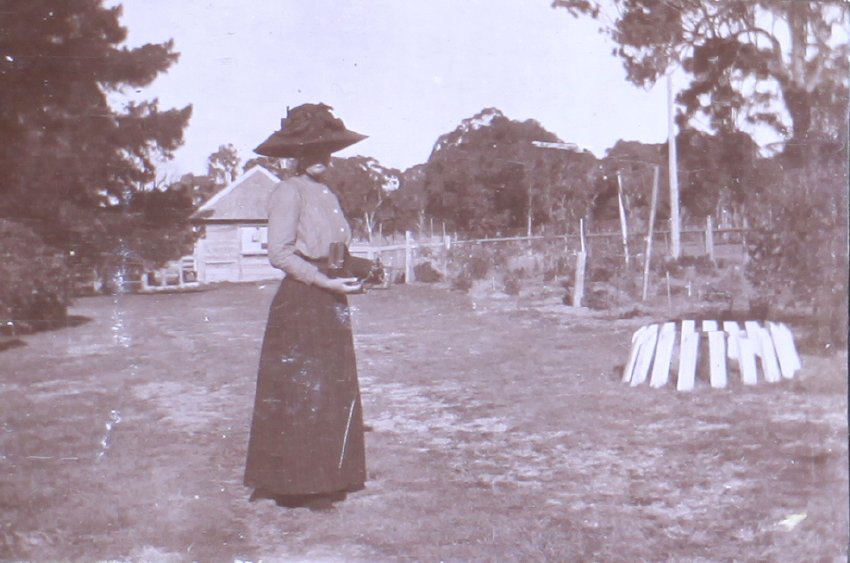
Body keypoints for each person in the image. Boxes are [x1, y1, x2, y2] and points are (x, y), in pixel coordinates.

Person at [244, 103, 368, 511]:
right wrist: (323, 280)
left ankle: (330, 478)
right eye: (311, 150)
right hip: (301, 300)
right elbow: (279, 254)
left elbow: (335, 250)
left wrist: (357, 273)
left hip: (331, 298)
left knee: (331, 390)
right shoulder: (288, 191)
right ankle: (298, 485)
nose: (321, 157)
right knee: (302, 391)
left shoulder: (327, 194)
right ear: (295, 153)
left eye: (325, 149)